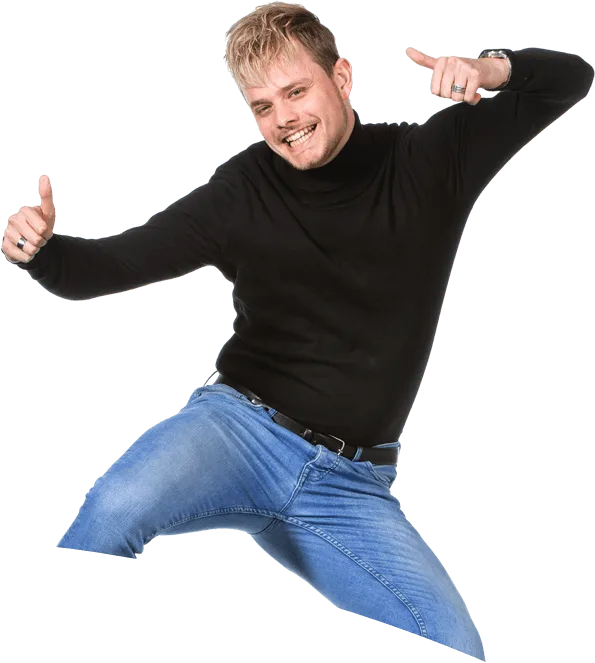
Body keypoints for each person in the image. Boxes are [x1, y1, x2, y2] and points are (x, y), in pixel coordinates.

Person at [2, 3, 592, 661]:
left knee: (455, 645)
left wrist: (490, 68)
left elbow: (571, 77)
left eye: (295, 91)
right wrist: (41, 251)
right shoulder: (243, 189)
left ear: (341, 78)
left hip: (350, 484)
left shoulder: (429, 159)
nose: (282, 117)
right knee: (113, 512)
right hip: (239, 433)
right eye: (262, 106)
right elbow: (101, 269)